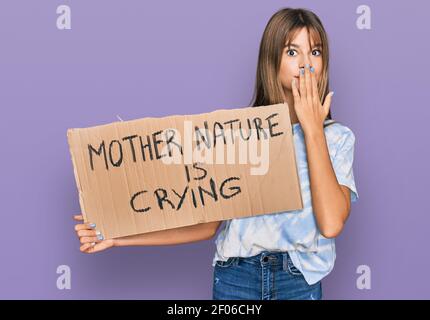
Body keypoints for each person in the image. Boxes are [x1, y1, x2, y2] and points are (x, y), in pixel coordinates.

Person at [73, 7, 359, 300]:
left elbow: (331, 223)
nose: (305, 64)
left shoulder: (337, 138)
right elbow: (206, 224)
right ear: (272, 60)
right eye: (291, 52)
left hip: (299, 282)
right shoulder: (239, 133)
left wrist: (313, 129)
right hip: (236, 279)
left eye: (315, 52)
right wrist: (118, 236)